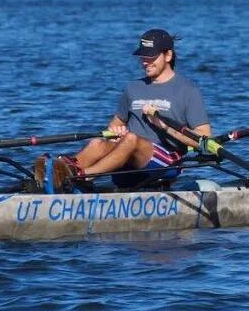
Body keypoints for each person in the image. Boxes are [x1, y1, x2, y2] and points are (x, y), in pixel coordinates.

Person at [37, 29, 211, 191]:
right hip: (127, 161)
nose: (145, 61)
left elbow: (204, 139)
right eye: (142, 56)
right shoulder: (132, 88)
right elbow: (116, 122)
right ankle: (62, 171)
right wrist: (114, 130)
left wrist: (164, 127)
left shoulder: (188, 91)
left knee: (131, 139)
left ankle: (82, 176)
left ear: (168, 55)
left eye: (151, 56)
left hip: (166, 163)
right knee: (98, 142)